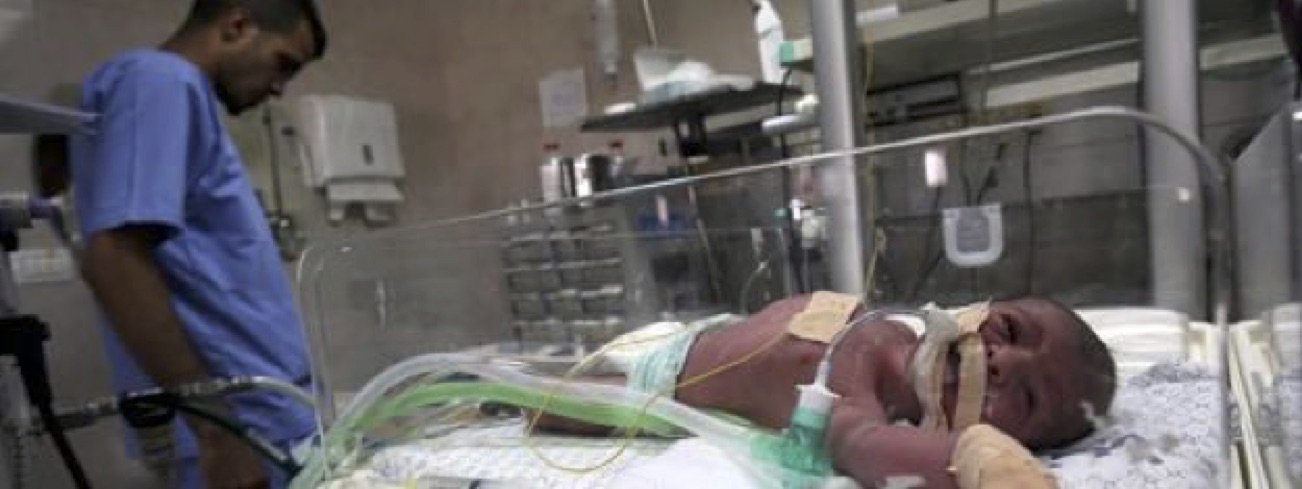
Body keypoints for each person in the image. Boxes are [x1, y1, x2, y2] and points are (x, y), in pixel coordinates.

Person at [68, 1, 327, 488]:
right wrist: (217, 432)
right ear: (237, 25)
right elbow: (113, 259)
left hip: (264, 417)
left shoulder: (168, 93)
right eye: (283, 64)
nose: (279, 87)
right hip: (242, 428)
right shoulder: (158, 80)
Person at [537, 294, 1117, 488]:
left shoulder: (860, 401)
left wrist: (978, 459)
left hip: (656, 389)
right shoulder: (887, 330)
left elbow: (861, 445)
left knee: (546, 407)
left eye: (1027, 398)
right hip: (681, 336)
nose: (1003, 361)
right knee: (538, 375)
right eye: (1011, 330)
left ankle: (504, 395)